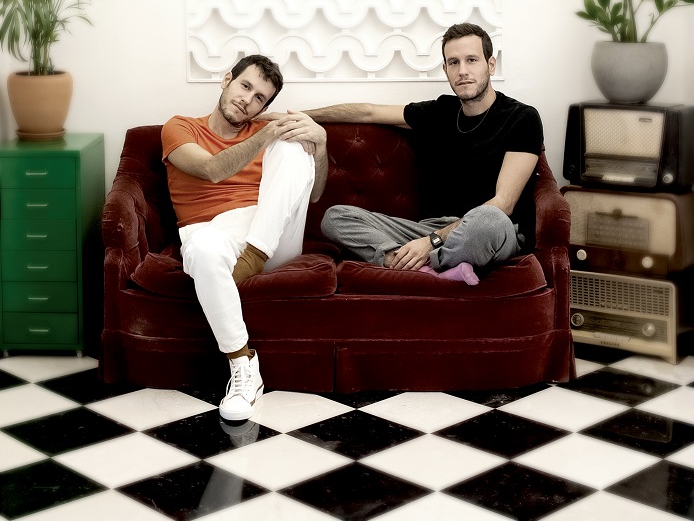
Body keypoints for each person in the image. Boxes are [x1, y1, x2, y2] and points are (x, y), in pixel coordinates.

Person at [262, 23, 543, 280]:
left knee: (489, 221)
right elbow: (368, 112)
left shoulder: (522, 118)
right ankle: (435, 268)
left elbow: (503, 203)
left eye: (472, 60)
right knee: (335, 218)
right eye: (453, 62)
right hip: (427, 229)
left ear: (490, 65)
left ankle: (419, 265)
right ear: (445, 69)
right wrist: (297, 115)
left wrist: (429, 243)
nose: (462, 71)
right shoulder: (440, 111)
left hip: (482, 231)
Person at [162, 54, 327, 422]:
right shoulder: (180, 127)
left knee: (294, 146)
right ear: (227, 80)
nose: (247, 100)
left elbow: (313, 195)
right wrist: (267, 131)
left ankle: (253, 257)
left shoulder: (268, 134)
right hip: (213, 234)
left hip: (269, 231)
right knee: (202, 250)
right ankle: (243, 367)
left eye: (259, 99)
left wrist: (321, 142)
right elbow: (211, 169)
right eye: (245, 86)